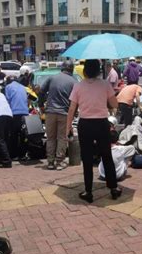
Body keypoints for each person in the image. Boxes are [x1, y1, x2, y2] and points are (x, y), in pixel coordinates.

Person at [66, 59, 121, 203]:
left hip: (85, 124)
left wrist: (68, 127)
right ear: (98, 71)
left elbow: (72, 108)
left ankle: (88, 191)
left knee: (87, 158)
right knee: (106, 156)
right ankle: (113, 188)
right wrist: (106, 102)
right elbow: (115, 104)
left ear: (84, 71)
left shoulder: (78, 86)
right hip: (102, 123)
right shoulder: (105, 84)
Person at [38, 61, 77, 170]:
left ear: (62, 68)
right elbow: (75, 101)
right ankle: (60, 162)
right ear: (72, 69)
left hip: (50, 112)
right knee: (62, 138)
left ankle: (50, 162)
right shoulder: (74, 82)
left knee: (50, 138)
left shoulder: (52, 78)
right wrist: (74, 113)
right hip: (64, 114)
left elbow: (41, 92)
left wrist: (41, 105)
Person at [5, 75, 29, 161]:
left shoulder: (8, 87)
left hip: (14, 113)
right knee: (23, 135)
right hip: (25, 113)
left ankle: (14, 155)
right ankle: (22, 155)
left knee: (13, 135)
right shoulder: (23, 87)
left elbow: (7, 101)